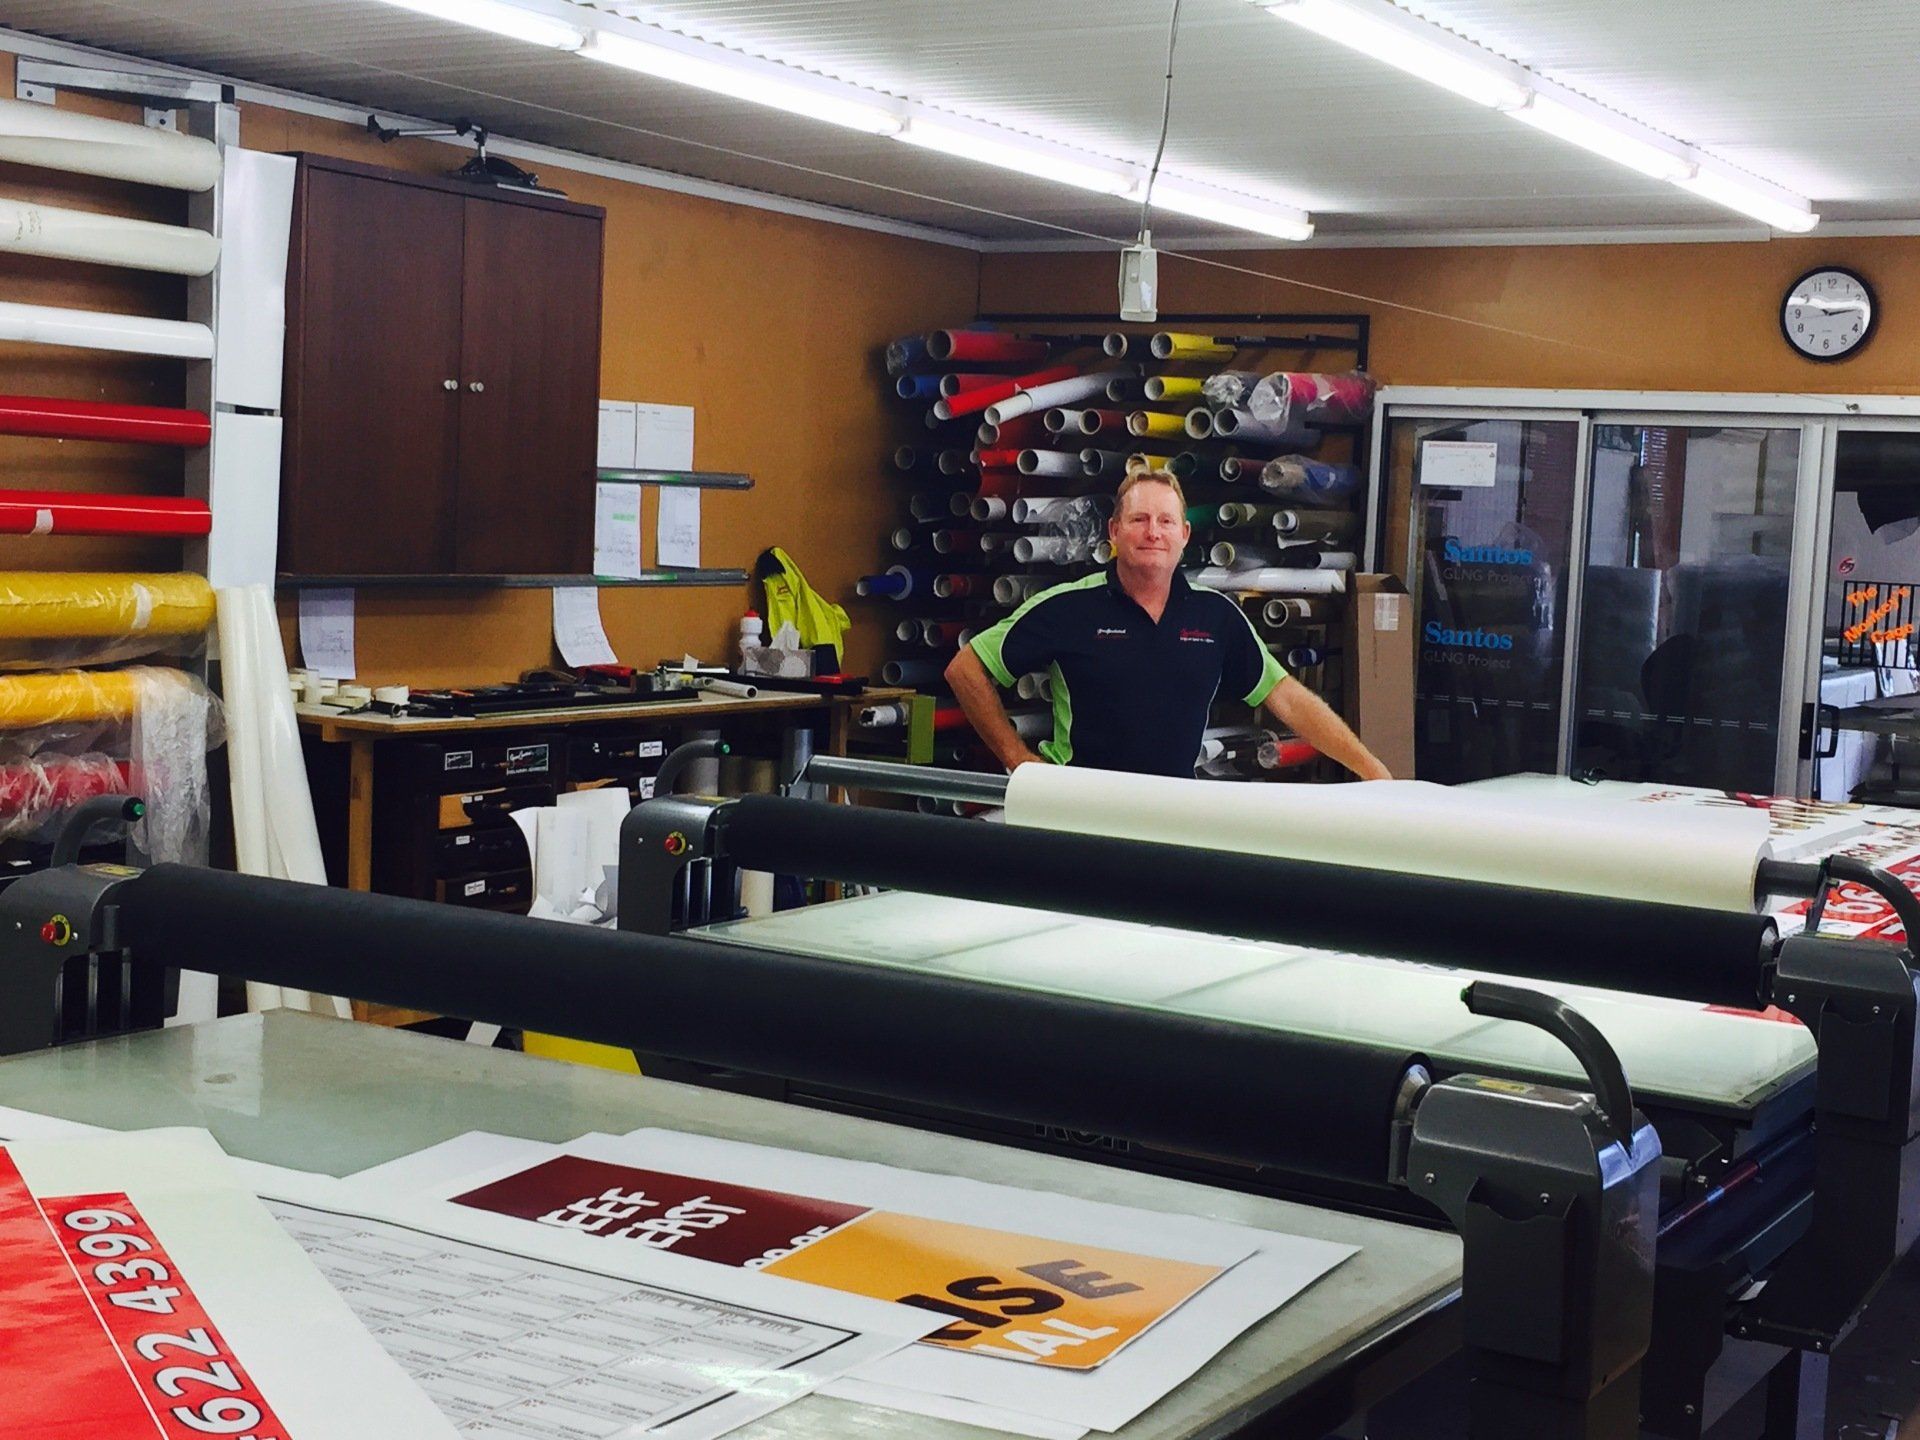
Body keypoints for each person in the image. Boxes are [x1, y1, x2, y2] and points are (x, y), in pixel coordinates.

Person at [945, 467, 1391, 779]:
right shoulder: (1068, 608)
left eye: (1165, 521)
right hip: (1079, 809)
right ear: (1114, 531)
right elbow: (966, 668)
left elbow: (1289, 700)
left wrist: (1372, 770)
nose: (1153, 532)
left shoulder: (1216, 616)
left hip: (1171, 811)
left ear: (1184, 534)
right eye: (1139, 520)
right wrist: (1017, 758)